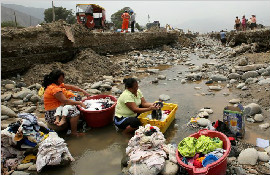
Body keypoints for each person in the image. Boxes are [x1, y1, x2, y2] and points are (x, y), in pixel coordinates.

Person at [43, 69, 89, 137]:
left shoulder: (57, 84)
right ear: (56, 79)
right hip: (53, 113)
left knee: (77, 97)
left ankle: (75, 119)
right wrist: (80, 103)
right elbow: (65, 101)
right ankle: (74, 133)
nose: (63, 80)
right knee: (75, 112)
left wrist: (82, 90)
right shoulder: (54, 89)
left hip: (60, 106)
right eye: (61, 79)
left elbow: (70, 87)